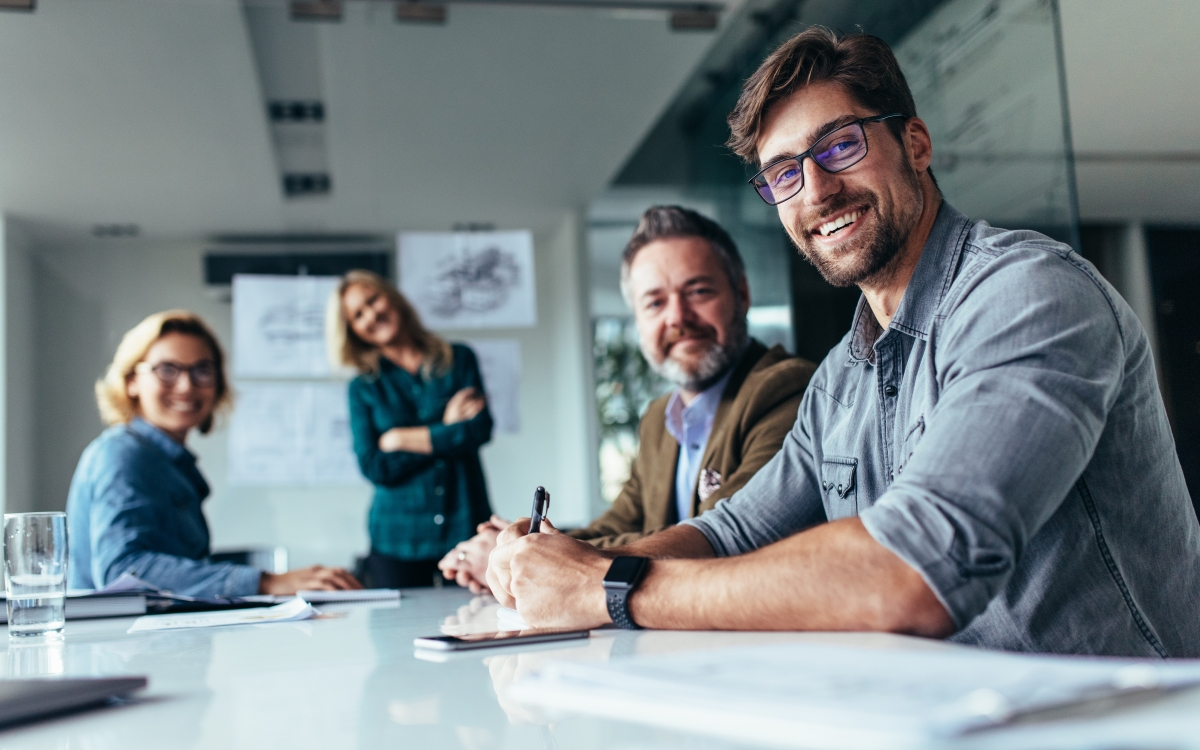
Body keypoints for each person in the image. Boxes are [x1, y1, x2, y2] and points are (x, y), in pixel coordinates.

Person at [486, 27, 1200, 657]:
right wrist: (562, 566)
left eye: (840, 145)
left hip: (1118, 723)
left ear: (914, 145)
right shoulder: (842, 376)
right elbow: (732, 532)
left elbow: (912, 572)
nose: (818, 190)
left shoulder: (1027, 293)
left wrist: (612, 589)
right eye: (785, 174)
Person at [437, 207, 816, 592]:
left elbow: (723, 535)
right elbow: (620, 524)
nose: (677, 317)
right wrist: (526, 547)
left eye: (699, 291)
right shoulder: (658, 419)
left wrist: (529, 557)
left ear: (742, 294)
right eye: (654, 302)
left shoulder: (784, 389)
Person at [67, 310, 361, 597]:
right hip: (117, 644)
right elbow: (123, 570)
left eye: (202, 370)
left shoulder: (169, 462)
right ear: (132, 380)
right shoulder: (124, 455)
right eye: (167, 370)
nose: (186, 386)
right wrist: (265, 582)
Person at [330, 270, 494, 588]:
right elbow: (375, 466)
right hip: (396, 539)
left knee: (478, 625)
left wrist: (399, 438)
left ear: (391, 297)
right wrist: (446, 428)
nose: (371, 314)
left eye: (372, 300)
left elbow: (479, 430)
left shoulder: (459, 359)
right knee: (396, 635)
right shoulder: (362, 387)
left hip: (465, 525)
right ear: (352, 330)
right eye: (358, 315)